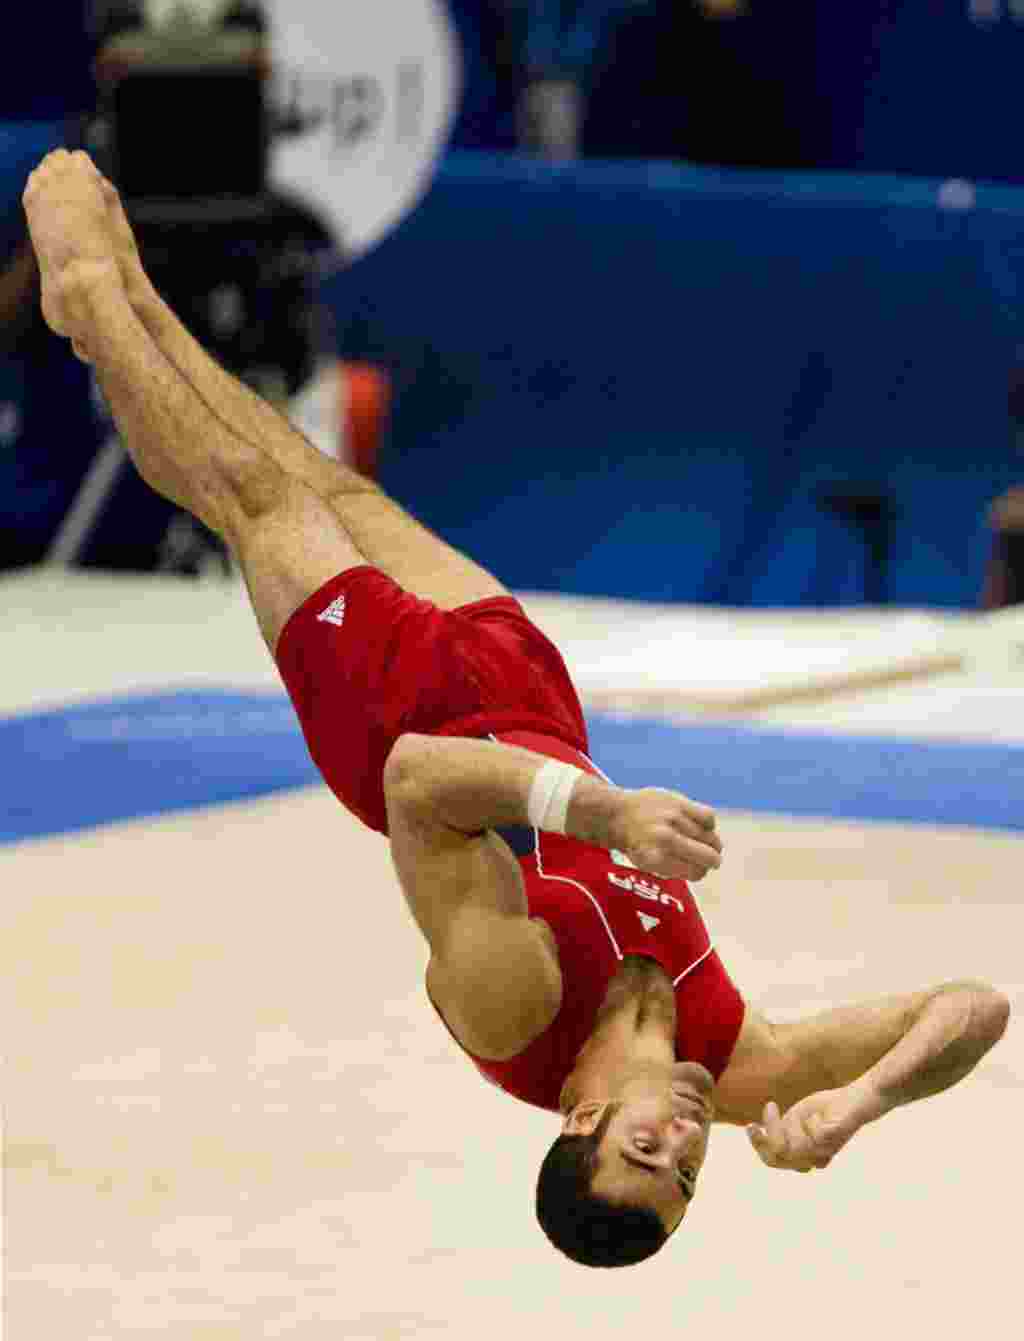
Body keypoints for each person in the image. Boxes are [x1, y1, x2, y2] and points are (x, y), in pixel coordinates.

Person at [24, 149, 1011, 1269]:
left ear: (582, 1122)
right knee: (332, 482)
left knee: (260, 499)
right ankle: (146, 294)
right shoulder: (743, 1066)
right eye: (688, 1172)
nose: (685, 1140)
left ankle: (95, 304)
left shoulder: (516, 1015)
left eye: (648, 1152)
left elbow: (419, 787)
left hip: (398, 718)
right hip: (531, 700)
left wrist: (600, 816)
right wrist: (866, 1100)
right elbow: (973, 1006)